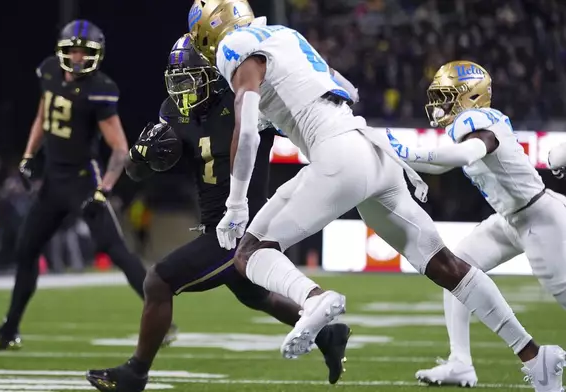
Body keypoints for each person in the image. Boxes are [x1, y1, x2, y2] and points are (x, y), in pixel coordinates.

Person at [188, 1, 563, 391]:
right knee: (447, 266)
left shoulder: (236, 45)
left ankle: (313, 297)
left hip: (338, 157)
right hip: (371, 152)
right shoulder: (286, 36)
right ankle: (534, 356)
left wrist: (235, 204)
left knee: (248, 251)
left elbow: (246, 133)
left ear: (210, 30)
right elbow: (344, 88)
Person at [84, 34, 352, 392]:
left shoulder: (250, 102)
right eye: (179, 80)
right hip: (216, 225)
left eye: (192, 78)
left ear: (216, 73)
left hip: (245, 229)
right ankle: (329, 335)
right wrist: (141, 156)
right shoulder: (175, 111)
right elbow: (139, 171)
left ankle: (135, 375)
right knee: (253, 294)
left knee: (158, 281)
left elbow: (304, 98)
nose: (185, 89)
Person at [0, 19, 177, 354]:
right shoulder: (50, 72)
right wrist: (27, 155)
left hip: (83, 182)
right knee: (25, 251)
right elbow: (42, 115)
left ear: (97, 55)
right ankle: (9, 329)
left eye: (85, 52)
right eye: (74, 51)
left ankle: (161, 319)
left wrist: (105, 188)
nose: (79, 58)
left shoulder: (100, 88)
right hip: (52, 182)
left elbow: (119, 148)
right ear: (62, 52)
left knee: (117, 250)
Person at [384, 60, 566, 388]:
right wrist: (407, 156)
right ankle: (462, 362)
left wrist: (405, 151)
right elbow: (446, 163)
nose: (439, 104)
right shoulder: (471, 120)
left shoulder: (475, 120)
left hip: (541, 221)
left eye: (447, 95)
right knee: (457, 269)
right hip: (514, 218)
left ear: (469, 96)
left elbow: (467, 153)